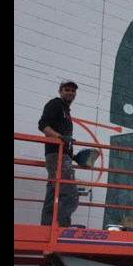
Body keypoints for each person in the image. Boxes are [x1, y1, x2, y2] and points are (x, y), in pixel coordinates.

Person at [38, 80, 79, 226]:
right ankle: (61, 230)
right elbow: (43, 126)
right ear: (60, 92)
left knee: (53, 193)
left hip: (61, 155)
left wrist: (74, 156)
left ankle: (47, 228)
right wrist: (60, 138)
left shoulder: (66, 111)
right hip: (56, 154)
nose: (70, 92)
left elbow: (64, 138)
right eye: (66, 90)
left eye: (73, 91)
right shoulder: (54, 105)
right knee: (70, 194)